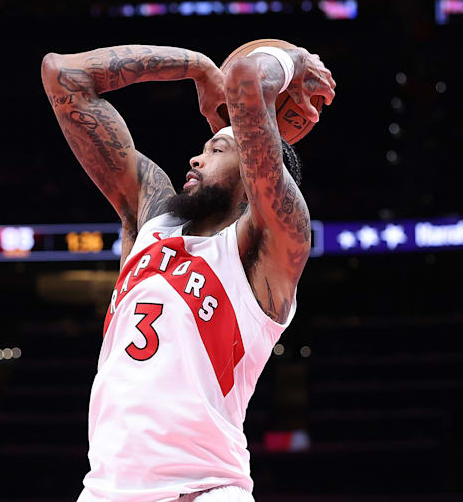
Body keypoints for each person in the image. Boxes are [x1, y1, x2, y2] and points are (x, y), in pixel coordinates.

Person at [40, 43, 335, 501]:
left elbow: (245, 79)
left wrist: (296, 58)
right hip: (105, 491)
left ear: (254, 172)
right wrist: (195, 67)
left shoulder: (265, 248)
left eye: (216, 148)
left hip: (204, 490)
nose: (195, 159)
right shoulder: (153, 219)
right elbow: (64, 77)